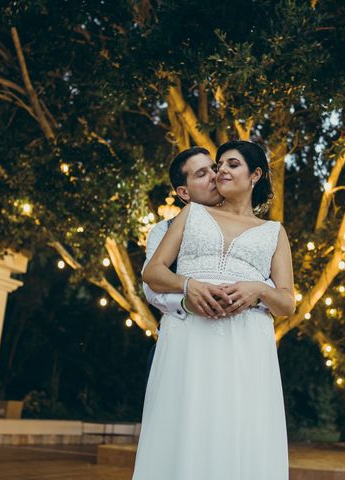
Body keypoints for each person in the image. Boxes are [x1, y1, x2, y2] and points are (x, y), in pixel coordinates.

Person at [133, 140, 294, 480]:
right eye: (214, 167)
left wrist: (259, 289)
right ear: (183, 191)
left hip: (246, 341)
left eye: (229, 165)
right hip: (189, 334)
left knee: (239, 426)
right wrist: (189, 287)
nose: (220, 171)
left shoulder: (274, 232)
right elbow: (152, 275)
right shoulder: (189, 216)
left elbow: (287, 302)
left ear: (256, 175)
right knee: (185, 420)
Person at [141, 146, 275, 382]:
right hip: (182, 340)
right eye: (202, 174)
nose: (216, 175)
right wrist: (187, 293)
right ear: (184, 192)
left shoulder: (262, 231)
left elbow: (274, 288)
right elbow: (151, 285)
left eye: (214, 168)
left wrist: (253, 295)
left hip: (239, 344)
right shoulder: (165, 230)